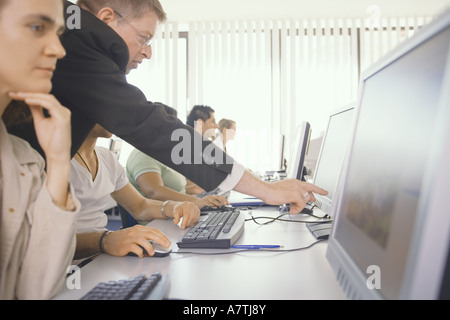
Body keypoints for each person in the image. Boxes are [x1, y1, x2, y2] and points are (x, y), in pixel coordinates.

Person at [8, 0, 328, 215]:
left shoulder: (74, 36)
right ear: (106, 19)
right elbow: (152, 126)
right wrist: (265, 190)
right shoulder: (82, 44)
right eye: (144, 38)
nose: (147, 53)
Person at [0, 0, 81, 299]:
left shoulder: (25, 158)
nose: (58, 49)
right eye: (37, 27)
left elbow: (35, 291)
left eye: (57, 32)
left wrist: (58, 162)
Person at [70, 124, 200, 260]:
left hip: (102, 258)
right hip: (67, 270)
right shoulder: (53, 163)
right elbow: (47, 243)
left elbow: (139, 206)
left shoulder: (106, 157)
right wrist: (104, 240)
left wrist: (172, 207)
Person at [126, 104, 228, 210]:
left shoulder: (163, 153)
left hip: (180, 213)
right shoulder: (143, 154)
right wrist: (197, 201)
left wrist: (200, 193)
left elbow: (176, 187)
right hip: (162, 221)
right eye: (172, 124)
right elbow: (154, 192)